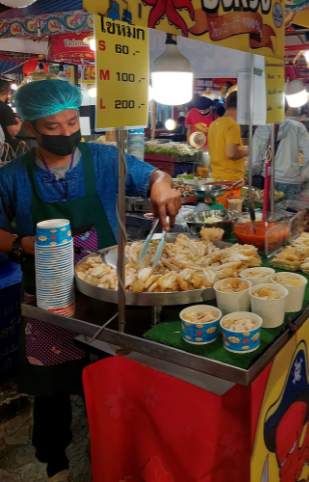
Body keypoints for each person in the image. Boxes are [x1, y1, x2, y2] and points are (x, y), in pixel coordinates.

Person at [0, 80, 181, 481]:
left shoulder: (104, 158)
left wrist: (163, 184)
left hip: (108, 290)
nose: (66, 133)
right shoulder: (11, 176)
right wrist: (19, 243)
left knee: (114, 375)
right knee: (52, 383)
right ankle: (55, 461)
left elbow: (151, 176)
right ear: (30, 127)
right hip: (49, 294)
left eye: (71, 122)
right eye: (52, 127)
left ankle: (122, 455)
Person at [253, 108, 309, 202]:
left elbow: (254, 162)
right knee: (292, 214)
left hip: (268, 180)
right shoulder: (298, 127)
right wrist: (303, 174)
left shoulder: (262, 129)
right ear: (286, 109)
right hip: (292, 180)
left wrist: (257, 172)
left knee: (269, 215)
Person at [207, 92, 248, 181]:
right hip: (231, 180)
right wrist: (246, 152)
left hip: (216, 177)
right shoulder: (233, 125)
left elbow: (212, 151)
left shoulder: (214, 124)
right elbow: (231, 154)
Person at [0, 83, 21, 156]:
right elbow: (13, 132)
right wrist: (19, 122)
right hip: (3, 149)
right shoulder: (5, 109)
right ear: (8, 92)